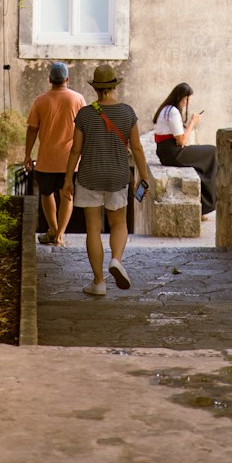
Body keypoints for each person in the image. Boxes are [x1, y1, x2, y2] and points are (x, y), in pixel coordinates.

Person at [61, 64, 151, 297]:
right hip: (118, 176)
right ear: (113, 86)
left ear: (96, 88)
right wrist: (144, 176)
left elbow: (75, 151)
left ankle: (99, 282)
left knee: (93, 228)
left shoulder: (85, 114)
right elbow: (138, 148)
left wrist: (68, 179)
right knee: (118, 223)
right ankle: (117, 260)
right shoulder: (127, 112)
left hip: (90, 175)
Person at [24, 62, 85, 246]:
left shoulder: (40, 100)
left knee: (46, 193)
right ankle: (60, 235)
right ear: (67, 79)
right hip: (70, 160)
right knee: (67, 195)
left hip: (47, 160)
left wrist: (27, 155)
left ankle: (52, 228)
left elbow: (32, 130)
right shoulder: (78, 99)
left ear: (49, 79)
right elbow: (85, 129)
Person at [152, 82, 217, 217]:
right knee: (213, 152)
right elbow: (181, 140)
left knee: (202, 162)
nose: (187, 102)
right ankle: (208, 204)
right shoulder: (173, 112)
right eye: (186, 99)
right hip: (173, 153)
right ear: (179, 97)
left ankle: (204, 204)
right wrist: (192, 122)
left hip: (166, 151)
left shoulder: (166, 109)